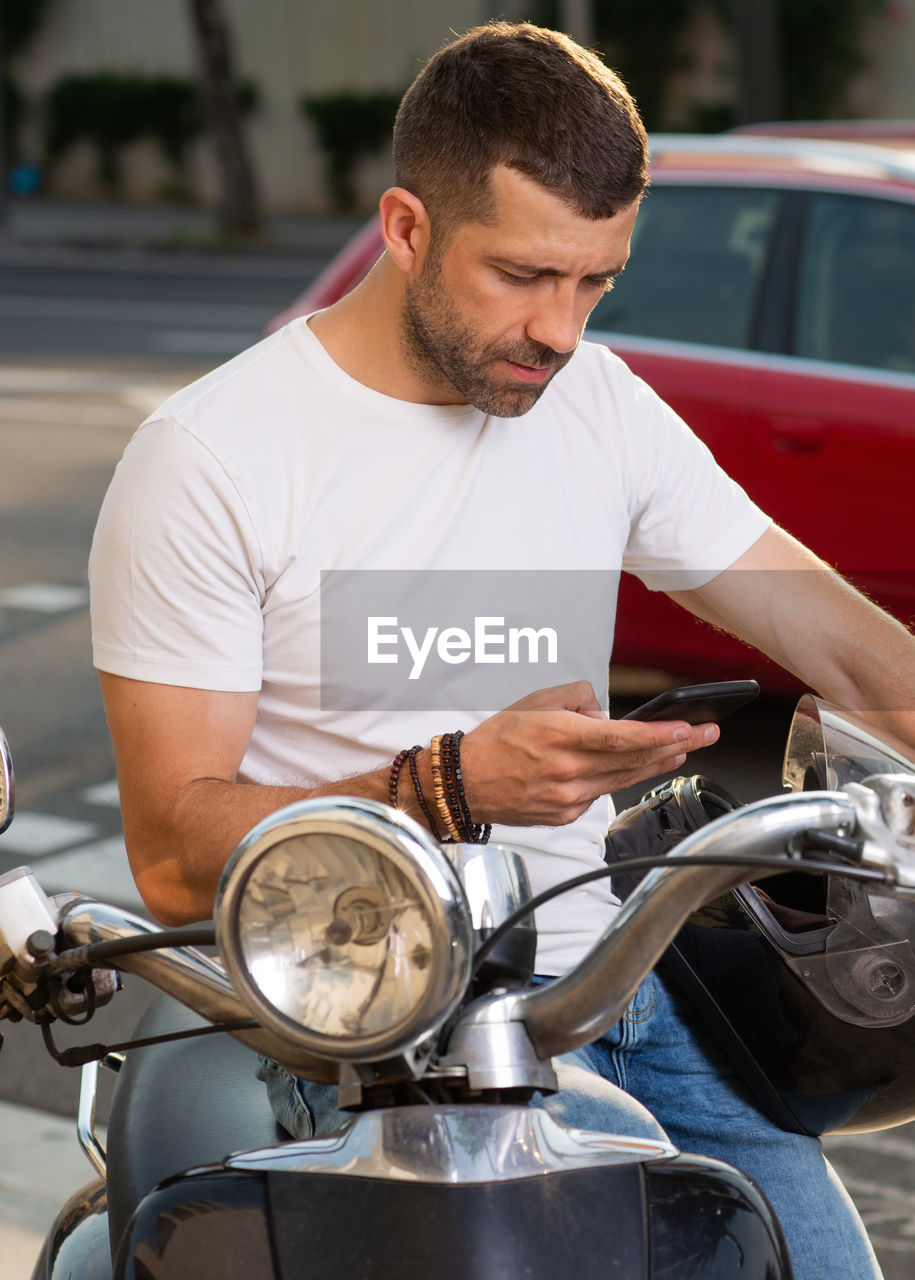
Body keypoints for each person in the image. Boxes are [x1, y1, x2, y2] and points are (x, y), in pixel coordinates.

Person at [88, 22, 914, 1280]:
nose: (561, 329)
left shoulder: (599, 405)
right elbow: (169, 847)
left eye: (595, 282)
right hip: (368, 1026)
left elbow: (841, 644)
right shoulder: (215, 457)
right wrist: (450, 784)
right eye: (524, 275)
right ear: (408, 228)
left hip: (614, 991)